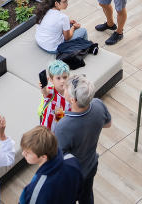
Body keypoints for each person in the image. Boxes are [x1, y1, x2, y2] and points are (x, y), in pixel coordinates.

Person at [55, 75, 112, 204]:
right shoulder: (98, 104)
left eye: (65, 89)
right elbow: (108, 124)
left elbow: (58, 158)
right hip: (91, 166)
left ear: (73, 100)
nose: (63, 87)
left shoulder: (63, 126)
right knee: (86, 198)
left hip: (71, 176)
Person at [18, 126, 83, 204]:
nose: (23, 154)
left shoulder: (36, 191)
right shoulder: (72, 161)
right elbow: (79, 191)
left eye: (27, 153)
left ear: (44, 156)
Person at [39, 60, 71, 131]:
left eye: (65, 77)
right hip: (46, 130)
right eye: (58, 78)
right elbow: (45, 92)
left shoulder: (71, 95)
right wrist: (43, 87)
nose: (62, 81)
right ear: (51, 80)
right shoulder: (51, 91)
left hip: (61, 131)